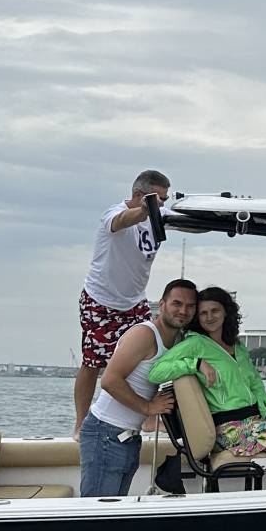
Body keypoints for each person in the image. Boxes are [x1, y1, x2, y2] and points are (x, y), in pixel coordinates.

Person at [148, 286, 266, 485]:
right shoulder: (195, 344)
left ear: (226, 312)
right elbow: (155, 371)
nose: (209, 317)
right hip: (231, 429)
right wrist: (195, 364)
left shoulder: (237, 346)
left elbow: (256, 385)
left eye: (215, 311)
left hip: (255, 417)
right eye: (203, 313)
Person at [73, 170, 172, 436]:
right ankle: (81, 422)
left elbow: (186, 222)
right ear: (140, 195)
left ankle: (147, 415)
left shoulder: (159, 216)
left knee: (156, 354)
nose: (162, 204)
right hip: (101, 301)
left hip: (134, 302)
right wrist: (143, 211)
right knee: (93, 362)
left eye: (165, 199)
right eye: (158, 199)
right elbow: (121, 220)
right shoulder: (113, 213)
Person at [79, 278, 198, 497]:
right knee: (96, 515)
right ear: (162, 305)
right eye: (177, 303)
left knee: (114, 512)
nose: (183, 310)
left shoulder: (179, 341)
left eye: (190, 306)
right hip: (105, 432)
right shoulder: (144, 334)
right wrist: (148, 408)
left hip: (129, 436)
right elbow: (110, 380)